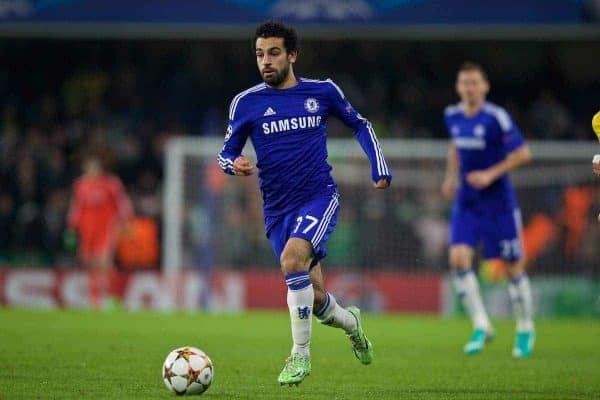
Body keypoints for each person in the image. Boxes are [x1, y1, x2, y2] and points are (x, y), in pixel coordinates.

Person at [217, 21, 392, 386]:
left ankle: (300, 356)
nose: (265, 61)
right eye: (260, 54)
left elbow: (361, 125)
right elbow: (225, 153)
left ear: (292, 55)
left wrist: (379, 166)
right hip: (277, 209)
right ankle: (352, 324)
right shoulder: (246, 103)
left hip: (318, 196)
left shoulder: (322, 91)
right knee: (313, 297)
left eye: (274, 53)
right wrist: (233, 165)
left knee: (291, 260)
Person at [441, 62, 534, 358]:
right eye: (464, 83)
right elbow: (455, 147)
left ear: (484, 87)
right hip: (467, 202)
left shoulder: (497, 117)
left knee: (512, 266)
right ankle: (482, 325)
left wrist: (490, 175)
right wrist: (450, 177)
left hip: (498, 204)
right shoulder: (452, 115)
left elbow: (523, 154)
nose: (469, 88)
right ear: (458, 87)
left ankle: (524, 329)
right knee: (458, 259)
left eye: (474, 83)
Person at [66, 154, 134, 310]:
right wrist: (71, 227)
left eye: (95, 167)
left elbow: (122, 203)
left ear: (101, 169)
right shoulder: (80, 184)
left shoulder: (111, 184)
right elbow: (76, 208)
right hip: (87, 230)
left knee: (104, 263)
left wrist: (127, 223)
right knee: (89, 264)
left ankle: (115, 298)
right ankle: (94, 301)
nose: (92, 170)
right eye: (89, 167)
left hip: (107, 229)